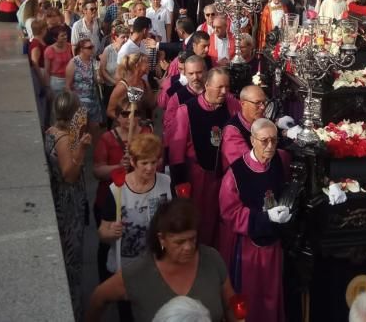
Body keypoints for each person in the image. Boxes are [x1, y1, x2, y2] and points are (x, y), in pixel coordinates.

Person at [86, 198, 238, 322]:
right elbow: (99, 297)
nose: (188, 247)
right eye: (179, 242)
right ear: (162, 239)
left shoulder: (211, 259)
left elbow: (230, 306)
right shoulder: (138, 273)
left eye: (192, 239)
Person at [219, 118, 290, 322]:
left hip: (273, 245)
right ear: (252, 140)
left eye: (274, 141)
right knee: (250, 297)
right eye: (264, 141)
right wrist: (265, 218)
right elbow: (229, 213)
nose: (270, 147)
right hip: (249, 246)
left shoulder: (280, 159)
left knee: (271, 295)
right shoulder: (235, 173)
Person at [169, 67, 241, 248]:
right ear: (207, 85)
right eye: (220, 87)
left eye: (227, 87)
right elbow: (176, 151)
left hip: (223, 177)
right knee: (199, 220)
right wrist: (180, 183)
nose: (224, 92)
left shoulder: (231, 105)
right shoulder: (186, 110)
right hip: (198, 176)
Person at [98, 134, 172, 297]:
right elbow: (102, 231)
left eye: (154, 162)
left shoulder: (166, 183)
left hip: (157, 266)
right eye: (144, 163)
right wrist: (110, 233)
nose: (150, 168)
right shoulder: (116, 190)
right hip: (126, 268)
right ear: (132, 162)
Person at [45, 92, 91, 321]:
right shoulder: (63, 138)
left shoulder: (54, 132)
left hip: (63, 200)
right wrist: (81, 150)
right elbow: (69, 175)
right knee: (72, 260)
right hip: (68, 203)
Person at [220, 85, 268, 171]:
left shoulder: (261, 121)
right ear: (243, 104)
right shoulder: (232, 131)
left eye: (264, 102)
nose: (263, 107)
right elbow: (246, 165)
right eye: (257, 103)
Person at [66, 38, 103, 143]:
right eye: (89, 47)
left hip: (93, 101)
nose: (92, 49)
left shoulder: (93, 62)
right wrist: (72, 103)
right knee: (80, 130)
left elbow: (96, 80)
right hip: (79, 102)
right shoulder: (73, 63)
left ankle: (96, 154)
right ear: (81, 49)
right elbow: (67, 86)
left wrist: (99, 76)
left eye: (93, 47)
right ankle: (77, 154)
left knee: (95, 127)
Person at [44, 28, 73, 104]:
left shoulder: (69, 46)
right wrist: (47, 87)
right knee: (57, 106)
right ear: (55, 38)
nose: (65, 37)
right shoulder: (49, 50)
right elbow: (46, 71)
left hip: (69, 80)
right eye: (62, 35)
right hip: (56, 82)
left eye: (65, 34)